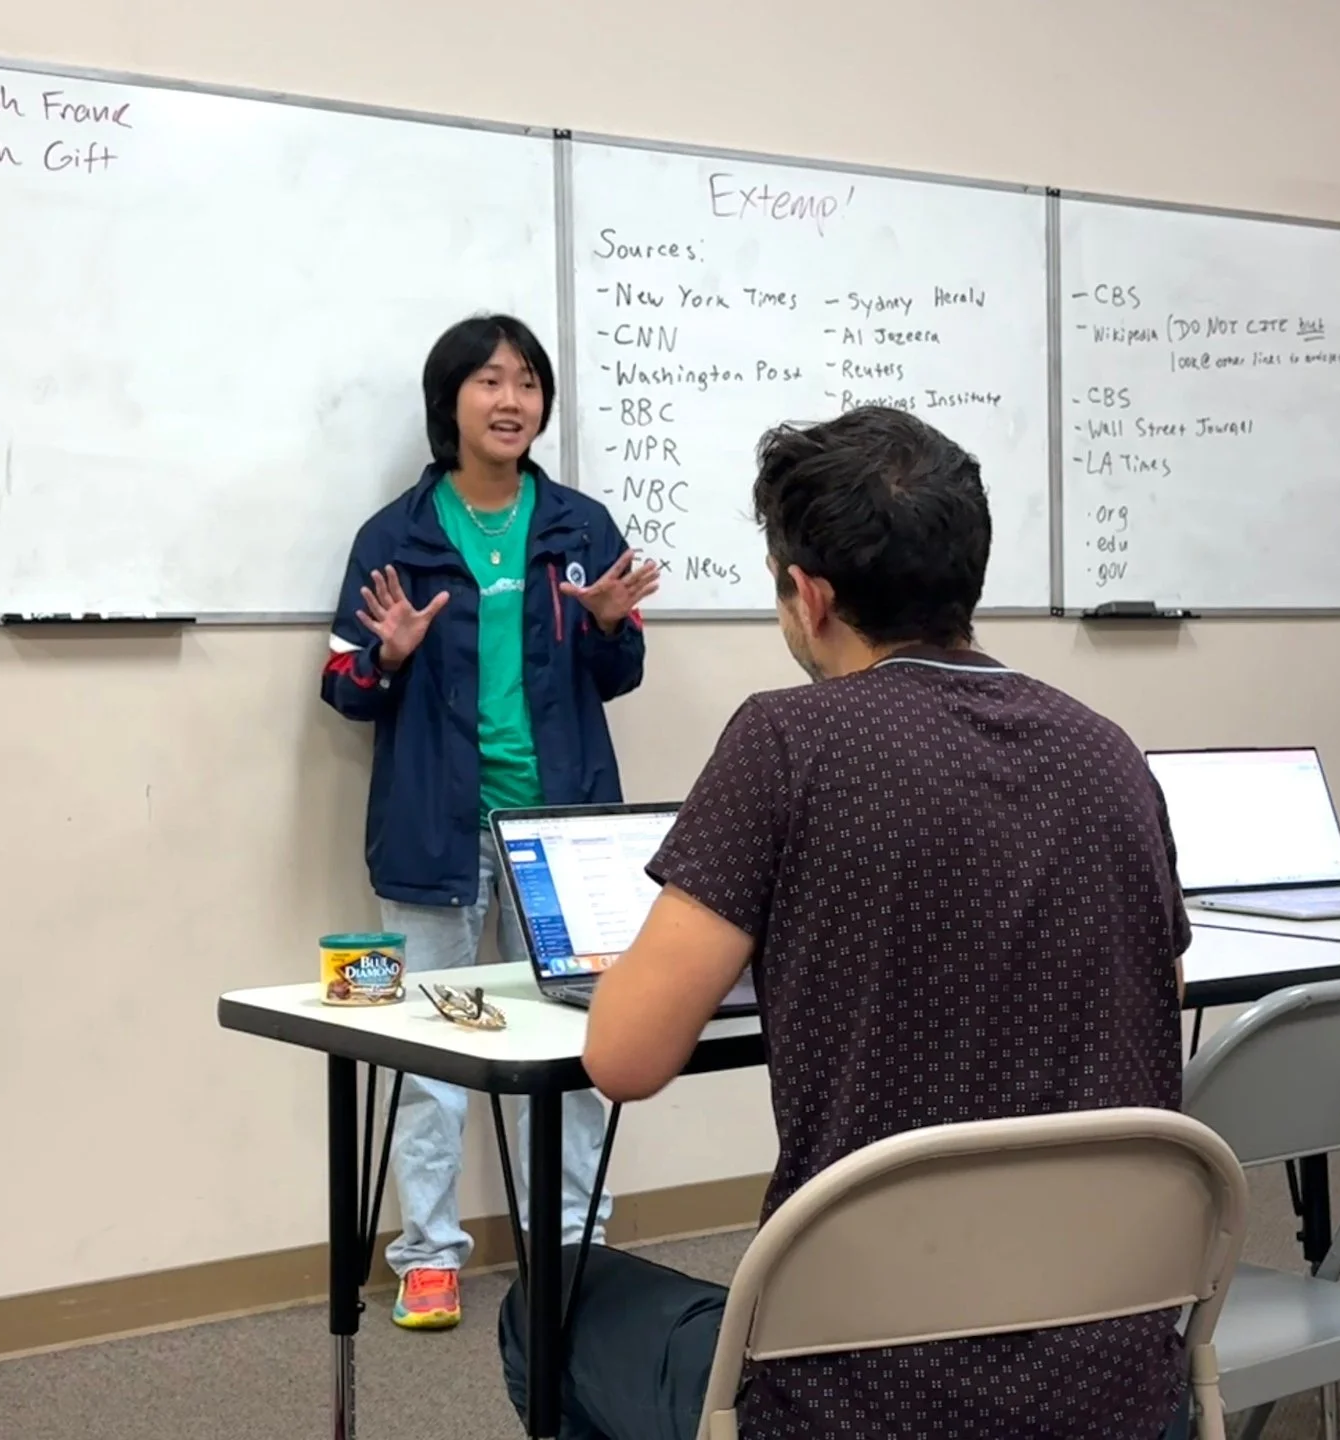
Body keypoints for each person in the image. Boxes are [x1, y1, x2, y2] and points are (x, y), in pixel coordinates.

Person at [497, 406, 1193, 1438]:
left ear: (809, 595)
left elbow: (625, 1056)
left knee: (547, 1302)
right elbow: (1153, 1002)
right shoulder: (1109, 751)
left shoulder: (786, 741)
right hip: (1121, 1383)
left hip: (858, 1397)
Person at [321, 314, 660, 1330]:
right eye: (488, 381)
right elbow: (342, 685)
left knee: (576, 1050)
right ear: (450, 401)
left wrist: (606, 627)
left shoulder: (580, 526)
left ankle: (571, 1249)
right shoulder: (395, 538)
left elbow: (621, 671)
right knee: (430, 1050)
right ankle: (429, 1254)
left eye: (527, 382)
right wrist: (386, 658)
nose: (511, 401)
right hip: (437, 828)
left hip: (561, 835)